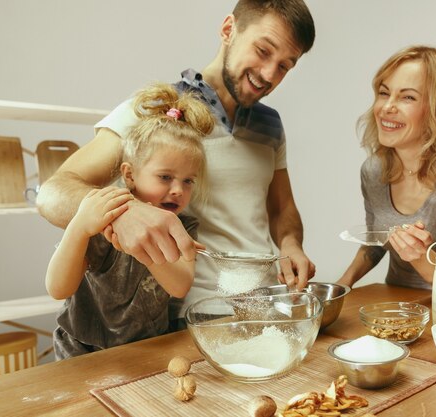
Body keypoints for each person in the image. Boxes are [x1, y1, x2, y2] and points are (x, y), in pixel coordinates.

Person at [37, 0, 317, 327]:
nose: (270, 74)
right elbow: (53, 193)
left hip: (268, 307)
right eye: (263, 51)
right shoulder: (161, 108)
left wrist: (291, 243)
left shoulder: (271, 125)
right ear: (229, 30)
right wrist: (124, 212)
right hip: (195, 317)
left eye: (285, 65)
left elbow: (282, 210)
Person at [46, 83, 214, 359]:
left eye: (188, 181)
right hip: (82, 350)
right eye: (165, 177)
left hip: (146, 348)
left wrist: (144, 248)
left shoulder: (183, 227)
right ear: (130, 174)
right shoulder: (105, 216)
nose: (177, 190)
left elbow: (179, 285)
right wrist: (78, 227)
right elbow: (58, 288)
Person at [337, 45, 436, 296]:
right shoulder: (373, 170)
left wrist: (422, 257)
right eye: (383, 93)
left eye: (407, 97)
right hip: (399, 297)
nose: (387, 107)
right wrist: (340, 286)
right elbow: (376, 244)